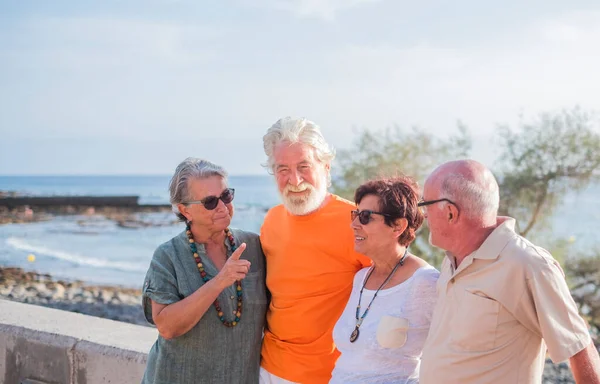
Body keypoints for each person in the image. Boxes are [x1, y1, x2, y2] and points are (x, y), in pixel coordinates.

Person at [419, 159, 600, 384]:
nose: (423, 214)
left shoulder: (529, 265)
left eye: (425, 204)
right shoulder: (451, 260)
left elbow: (579, 347)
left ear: (450, 213)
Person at [259, 117, 371, 384]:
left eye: (304, 166)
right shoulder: (271, 220)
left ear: (326, 167)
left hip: (328, 376)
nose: (294, 179)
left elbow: (395, 291)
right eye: (282, 169)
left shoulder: (357, 223)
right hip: (267, 369)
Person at [141, 158, 267, 384]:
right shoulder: (167, 256)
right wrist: (219, 282)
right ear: (184, 210)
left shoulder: (254, 246)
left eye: (226, 196)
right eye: (209, 202)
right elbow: (167, 327)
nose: (222, 207)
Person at [330, 177, 439, 383]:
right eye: (355, 214)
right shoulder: (361, 278)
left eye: (365, 217)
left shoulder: (424, 281)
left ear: (398, 226)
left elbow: (454, 350)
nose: (354, 224)